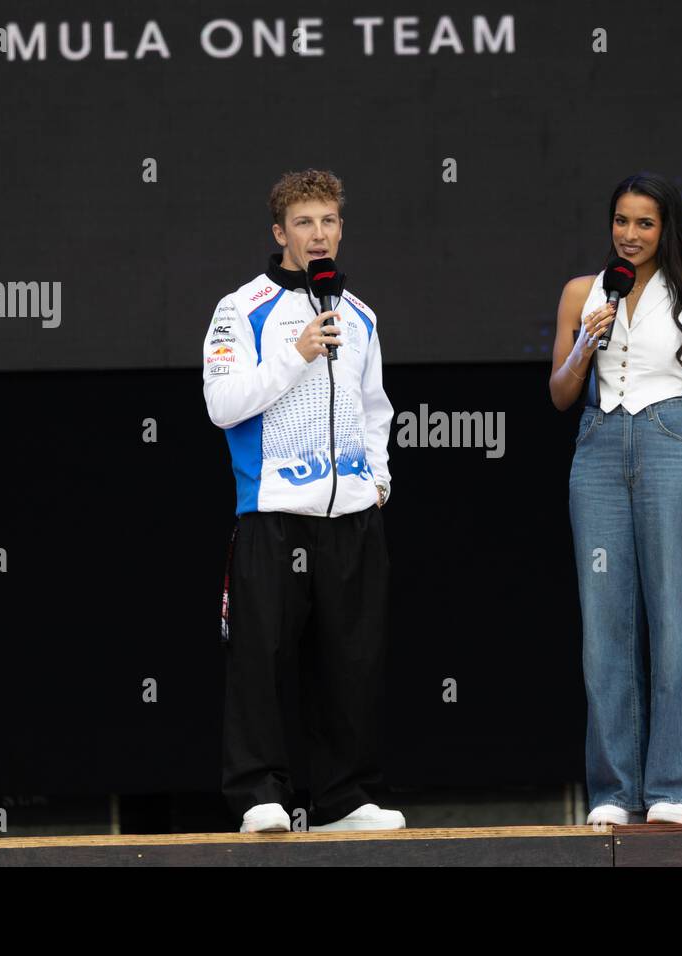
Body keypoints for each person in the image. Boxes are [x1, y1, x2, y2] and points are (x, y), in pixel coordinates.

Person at [202, 169, 403, 833]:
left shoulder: (363, 315)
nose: (318, 235)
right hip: (272, 513)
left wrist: (378, 481)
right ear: (279, 233)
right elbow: (223, 405)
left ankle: (344, 800)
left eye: (328, 222)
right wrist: (296, 352)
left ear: (341, 230)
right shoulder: (242, 307)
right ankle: (260, 794)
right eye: (304, 224)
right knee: (261, 658)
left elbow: (377, 409)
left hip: (350, 518)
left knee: (352, 660)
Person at [549, 172, 682, 826]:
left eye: (644, 223)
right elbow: (561, 393)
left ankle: (674, 787)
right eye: (621, 221)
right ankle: (613, 790)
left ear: (665, 229)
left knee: (678, 623)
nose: (629, 235)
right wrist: (584, 344)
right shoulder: (582, 292)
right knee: (605, 629)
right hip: (597, 444)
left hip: (671, 440)